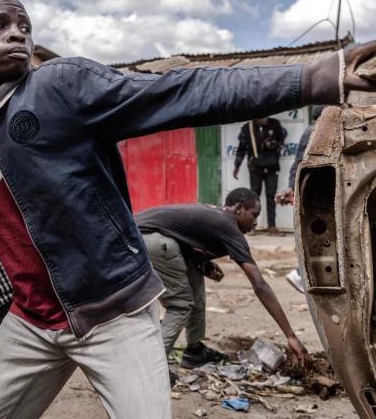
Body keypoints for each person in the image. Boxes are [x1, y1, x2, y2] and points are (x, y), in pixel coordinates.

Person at [0, 0, 376, 419]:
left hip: (115, 314)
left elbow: (181, 92)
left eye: (23, 25)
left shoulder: (61, 85)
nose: (17, 31)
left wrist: (315, 76)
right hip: (32, 321)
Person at [136, 189, 310, 382]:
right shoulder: (229, 227)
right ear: (238, 209)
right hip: (148, 237)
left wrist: (205, 261)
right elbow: (260, 285)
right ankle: (153, 369)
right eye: (254, 215)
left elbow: (184, 235)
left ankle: (194, 351)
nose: (255, 222)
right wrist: (290, 335)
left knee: (195, 282)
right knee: (181, 303)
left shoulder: (217, 218)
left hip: (147, 234)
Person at [279, 105, 330, 293]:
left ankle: (306, 275)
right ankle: (301, 274)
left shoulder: (315, 130)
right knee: (316, 236)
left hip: (316, 194)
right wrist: (292, 188)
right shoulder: (315, 132)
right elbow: (299, 163)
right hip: (315, 195)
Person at [233, 116, 285, 235]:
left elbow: (282, 142)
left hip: (272, 166)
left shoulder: (275, 124)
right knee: (254, 198)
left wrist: (274, 144)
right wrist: (237, 166)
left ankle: (271, 226)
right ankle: (252, 226)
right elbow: (241, 149)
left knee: (271, 196)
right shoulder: (247, 128)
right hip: (255, 167)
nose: (264, 118)